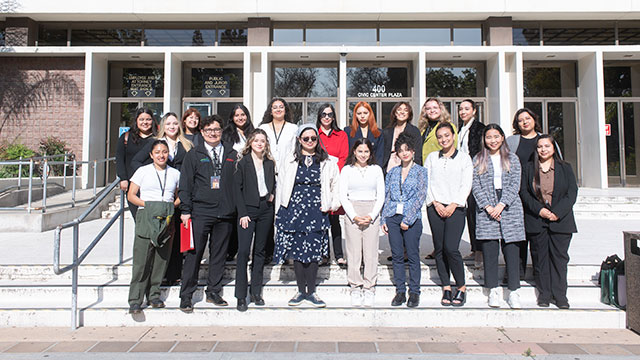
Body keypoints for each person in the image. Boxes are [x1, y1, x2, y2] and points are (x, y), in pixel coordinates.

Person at [274, 123, 340, 308]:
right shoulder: (290, 159)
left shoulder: (328, 161)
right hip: (294, 210)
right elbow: (281, 186)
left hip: (316, 211)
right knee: (297, 252)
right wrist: (280, 211)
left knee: (312, 252)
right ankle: (300, 290)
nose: (309, 141)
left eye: (313, 138)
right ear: (299, 140)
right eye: (306, 138)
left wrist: (330, 205)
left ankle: (311, 291)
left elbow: (337, 186)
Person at [178, 115, 237, 313]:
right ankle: (186, 295)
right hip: (200, 211)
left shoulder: (232, 153)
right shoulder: (194, 155)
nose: (213, 133)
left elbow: (238, 184)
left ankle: (214, 291)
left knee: (219, 255)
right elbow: (185, 185)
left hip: (226, 212)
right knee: (194, 254)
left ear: (222, 131)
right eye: (209, 130)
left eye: (217, 129)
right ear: (202, 132)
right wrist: (185, 210)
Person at [130, 112, 193, 286]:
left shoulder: (186, 144)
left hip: (178, 196)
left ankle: (174, 273)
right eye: (168, 124)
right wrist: (148, 178)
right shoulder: (154, 144)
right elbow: (136, 162)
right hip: (158, 201)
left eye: (175, 124)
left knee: (176, 237)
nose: (172, 127)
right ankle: (158, 276)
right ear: (163, 126)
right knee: (158, 238)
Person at [520, 135, 577, 309]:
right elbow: (524, 193)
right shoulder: (529, 168)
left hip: (561, 220)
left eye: (547, 146)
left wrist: (556, 213)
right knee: (540, 259)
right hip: (537, 219)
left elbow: (572, 193)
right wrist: (540, 210)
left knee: (559, 259)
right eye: (539, 146)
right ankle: (544, 294)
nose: (543, 149)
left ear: (553, 148)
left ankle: (560, 295)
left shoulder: (565, 167)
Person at [472, 124, 526, 309]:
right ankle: (493, 290)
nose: (493, 140)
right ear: (484, 139)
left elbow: (515, 184)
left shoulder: (512, 158)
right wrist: (488, 206)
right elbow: (475, 185)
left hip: (509, 207)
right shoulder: (479, 159)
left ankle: (513, 291)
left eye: (496, 136)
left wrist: (502, 204)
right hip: (487, 206)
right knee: (490, 252)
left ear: (502, 138)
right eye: (489, 137)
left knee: (511, 251)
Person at [506, 108, 563, 280]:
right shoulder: (513, 141)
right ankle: (516, 272)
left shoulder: (544, 140)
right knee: (517, 234)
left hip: (538, 195)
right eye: (520, 120)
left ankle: (541, 275)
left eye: (527, 118)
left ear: (534, 119)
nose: (524, 122)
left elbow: (558, 164)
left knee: (537, 236)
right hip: (517, 193)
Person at [126, 140, 181, 314]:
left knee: (161, 259)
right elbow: (131, 195)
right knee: (142, 260)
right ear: (151, 155)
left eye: (164, 152)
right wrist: (149, 205)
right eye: (157, 152)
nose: (161, 155)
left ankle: (154, 295)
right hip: (147, 216)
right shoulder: (142, 171)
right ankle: (136, 299)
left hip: (166, 217)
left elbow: (180, 196)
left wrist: (172, 206)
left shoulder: (174, 173)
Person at [425, 122, 473, 307]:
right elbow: (426, 183)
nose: (443, 139)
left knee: (451, 248)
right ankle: (446, 286)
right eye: (440, 136)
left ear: (453, 136)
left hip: (456, 208)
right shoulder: (431, 158)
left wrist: (453, 205)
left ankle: (460, 286)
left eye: (447, 135)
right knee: (439, 248)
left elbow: (465, 185)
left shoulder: (464, 159)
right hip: (435, 206)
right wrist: (435, 203)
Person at [380, 132, 428, 308]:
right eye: (401, 150)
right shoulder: (392, 172)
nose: (404, 153)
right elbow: (387, 196)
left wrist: (408, 219)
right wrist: (383, 219)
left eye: (407, 150)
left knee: (413, 256)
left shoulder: (421, 171)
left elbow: (420, 196)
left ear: (413, 151)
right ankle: (400, 290)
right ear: (397, 154)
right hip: (392, 216)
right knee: (398, 256)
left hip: (412, 218)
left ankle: (414, 291)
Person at [233, 129, 276, 312]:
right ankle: (241, 295)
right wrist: (242, 213)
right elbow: (237, 189)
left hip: (265, 209)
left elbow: (272, 183)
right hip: (247, 211)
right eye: (256, 140)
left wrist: (272, 195)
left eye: (263, 141)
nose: (260, 143)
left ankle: (256, 291)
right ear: (250, 142)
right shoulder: (242, 163)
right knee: (243, 252)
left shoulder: (269, 162)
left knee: (260, 251)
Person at [339, 138, 385, 307]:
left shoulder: (376, 170)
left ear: (370, 153)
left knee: (370, 252)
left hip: (371, 210)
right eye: (360, 151)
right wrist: (354, 215)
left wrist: (372, 215)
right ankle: (355, 286)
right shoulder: (347, 170)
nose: (363, 155)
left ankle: (369, 286)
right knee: (354, 251)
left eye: (366, 151)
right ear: (354, 152)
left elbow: (381, 195)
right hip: (353, 211)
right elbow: (343, 195)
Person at [316, 103, 349, 266]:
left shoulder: (341, 135)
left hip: (336, 178)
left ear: (333, 117)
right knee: (322, 218)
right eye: (323, 114)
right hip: (320, 179)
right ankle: (323, 254)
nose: (326, 117)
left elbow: (344, 156)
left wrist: (335, 171)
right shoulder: (315, 134)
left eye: (329, 114)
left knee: (334, 219)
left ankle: (339, 254)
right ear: (319, 117)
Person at [222, 104, 255, 262]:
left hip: (250, 176)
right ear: (232, 118)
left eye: (243, 115)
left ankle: (244, 249)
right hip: (232, 176)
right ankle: (230, 249)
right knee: (233, 213)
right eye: (237, 115)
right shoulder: (227, 134)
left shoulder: (252, 133)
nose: (240, 118)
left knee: (245, 212)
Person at [456, 99, 486, 261]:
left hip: (475, 174)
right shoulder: (461, 129)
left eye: (466, 109)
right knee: (469, 212)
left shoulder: (479, 128)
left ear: (474, 110)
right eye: (461, 109)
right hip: (463, 174)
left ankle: (480, 250)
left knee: (476, 211)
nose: (463, 112)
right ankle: (475, 248)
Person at [116, 107, 157, 219]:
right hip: (133, 185)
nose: (145, 122)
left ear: (152, 121)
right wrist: (123, 178)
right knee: (139, 219)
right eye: (141, 119)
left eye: (148, 119)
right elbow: (119, 159)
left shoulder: (157, 138)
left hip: (153, 185)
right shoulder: (126, 137)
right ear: (136, 121)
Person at [382, 101, 423, 171]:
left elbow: (418, 154)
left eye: (406, 110)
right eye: (399, 109)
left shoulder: (414, 131)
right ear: (395, 113)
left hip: (408, 165)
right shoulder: (387, 131)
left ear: (409, 114)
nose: (402, 112)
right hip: (390, 166)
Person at [258, 97, 298, 167]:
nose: (278, 109)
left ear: (285, 110)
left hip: (287, 169)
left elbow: (296, 150)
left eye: (281, 107)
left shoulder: (293, 128)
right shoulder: (263, 128)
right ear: (271, 111)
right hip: (266, 167)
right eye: (275, 107)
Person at [418, 97, 458, 162]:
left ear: (441, 109)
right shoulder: (423, 128)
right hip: (425, 166)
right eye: (428, 108)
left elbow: (453, 148)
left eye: (435, 108)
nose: (432, 111)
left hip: (441, 165)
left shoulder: (449, 126)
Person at [345, 101, 385, 166]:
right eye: (359, 113)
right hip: (353, 168)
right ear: (355, 115)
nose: (362, 116)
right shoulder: (348, 131)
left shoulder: (379, 133)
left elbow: (380, 156)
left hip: (372, 169)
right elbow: (347, 154)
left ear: (370, 114)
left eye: (365, 113)